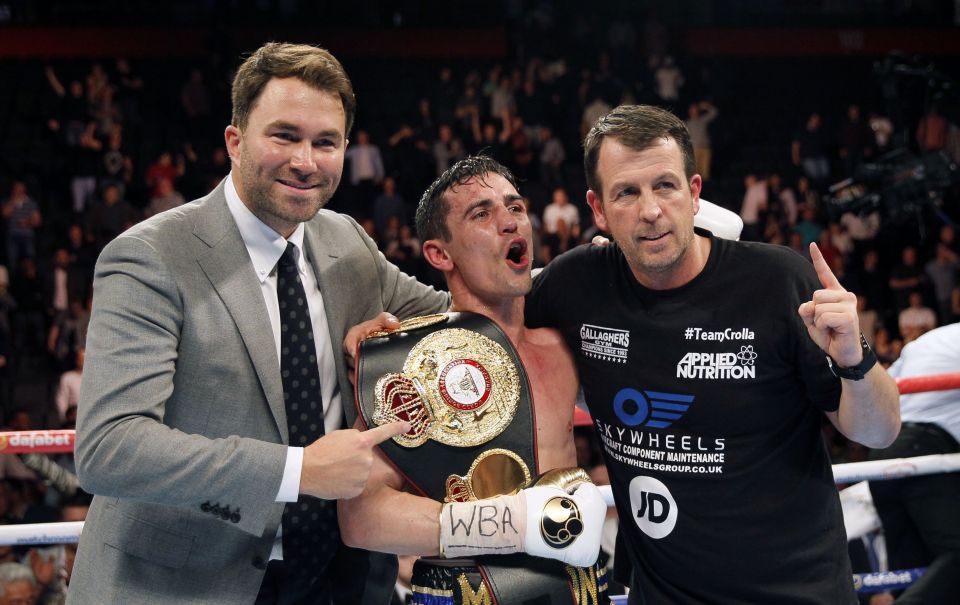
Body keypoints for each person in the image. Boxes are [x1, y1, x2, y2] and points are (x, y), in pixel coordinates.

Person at [70, 42, 448, 605]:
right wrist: (298, 470)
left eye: (326, 142)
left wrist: (595, 269)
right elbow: (109, 448)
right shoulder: (151, 257)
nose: (306, 161)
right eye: (285, 136)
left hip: (339, 578)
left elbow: (454, 311)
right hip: (184, 584)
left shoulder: (346, 242)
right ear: (235, 140)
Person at [525, 104, 901, 604]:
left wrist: (855, 361)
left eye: (665, 185)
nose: (651, 210)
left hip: (797, 592)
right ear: (598, 209)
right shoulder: (576, 283)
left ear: (694, 192)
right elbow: (485, 327)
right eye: (627, 193)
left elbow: (879, 432)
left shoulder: (778, 281)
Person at [338, 155, 608, 604]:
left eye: (516, 207)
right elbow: (361, 516)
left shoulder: (563, 345)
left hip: (578, 589)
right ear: (440, 253)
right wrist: (516, 524)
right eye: (482, 213)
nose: (509, 222)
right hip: (465, 590)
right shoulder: (415, 362)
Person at [867, 322, 960, 605]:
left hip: (884, 454)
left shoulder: (923, 343)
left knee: (911, 571)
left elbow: (881, 392)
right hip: (926, 452)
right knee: (956, 554)